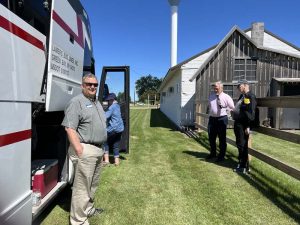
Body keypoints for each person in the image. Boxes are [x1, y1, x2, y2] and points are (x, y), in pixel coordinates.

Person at [62, 73, 107, 225]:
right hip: (85, 149)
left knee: (92, 185)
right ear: (82, 85)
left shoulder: (97, 103)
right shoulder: (76, 102)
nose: (93, 87)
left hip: (98, 150)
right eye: (89, 84)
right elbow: (69, 128)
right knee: (82, 187)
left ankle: (88, 209)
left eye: (95, 84)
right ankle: (78, 220)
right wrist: (80, 150)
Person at [232, 79, 257, 173]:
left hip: (243, 124)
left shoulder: (250, 96)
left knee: (242, 144)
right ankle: (241, 162)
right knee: (239, 143)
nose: (238, 87)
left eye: (239, 86)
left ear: (245, 85)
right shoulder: (242, 96)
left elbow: (251, 113)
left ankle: (243, 166)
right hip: (238, 123)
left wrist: (248, 126)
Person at [206, 81, 235, 162]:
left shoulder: (226, 97)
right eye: (214, 87)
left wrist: (226, 109)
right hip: (212, 119)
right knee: (211, 137)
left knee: (222, 139)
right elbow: (209, 106)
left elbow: (232, 107)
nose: (215, 89)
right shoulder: (211, 96)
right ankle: (213, 153)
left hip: (222, 119)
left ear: (221, 88)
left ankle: (221, 156)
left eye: (216, 88)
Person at [102, 93, 124, 166]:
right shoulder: (118, 106)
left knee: (105, 142)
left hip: (113, 128)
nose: (108, 102)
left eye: (108, 101)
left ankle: (106, 160)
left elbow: (105, 116)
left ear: (111, 100)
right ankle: (116, 162)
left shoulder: (112, 107)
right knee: (116, 144)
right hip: (120, 129)